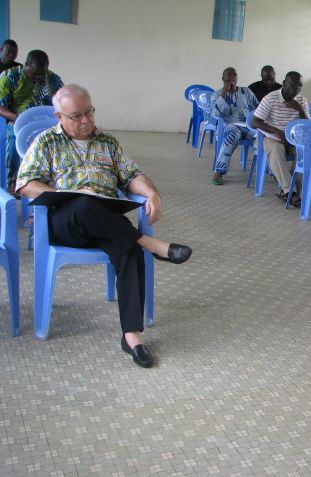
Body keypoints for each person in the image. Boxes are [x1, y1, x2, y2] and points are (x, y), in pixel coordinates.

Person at [16, 85, 192, 368]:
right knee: (85, 204)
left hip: (107, 223)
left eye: (90, 112)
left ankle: (131, 336)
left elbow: (132, 175)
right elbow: (25, 185)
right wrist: (67, 194)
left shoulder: (107, 142)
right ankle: (152, 245)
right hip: (66, 222)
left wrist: (152, 193)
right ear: (59, 115)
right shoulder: (46, 142)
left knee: (128, 251)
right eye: (77, 116)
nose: (86, 120)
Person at [0, 50, 64, 192]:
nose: (39, 77)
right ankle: (14, 182)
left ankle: (47, 183)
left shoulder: (52, 79)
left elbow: (63, 103)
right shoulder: (10, 77)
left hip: (46, 124)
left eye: (42, 74)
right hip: (15, 122)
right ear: (26, 65)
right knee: (15, 144)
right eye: (34, 74)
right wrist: (18, 118)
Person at [252, 71, 310, 207]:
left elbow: (308, 126)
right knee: (276, 148)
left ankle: (289, 191)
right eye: (292, 85)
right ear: (284, 83)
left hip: (293, 140)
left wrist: (300, 110)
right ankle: (290, 192)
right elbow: (255, 122)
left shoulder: (301, 100)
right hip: (269, 137)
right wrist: (277, 132)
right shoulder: (271, 98)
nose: (295, 89)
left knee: (303, 153)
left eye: (299, 87)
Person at [211, 67, 258, 185]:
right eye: (227, 81)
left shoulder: (246, 92)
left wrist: (256, 123)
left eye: (233, 79)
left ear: (236, 78)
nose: (231, 83)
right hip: (229, 125)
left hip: (247, 125)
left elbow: (258, 108)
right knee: (234, 134)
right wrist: (224, 93)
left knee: (260, 136)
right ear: (223, 79)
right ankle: (219, 171)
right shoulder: (217, 94)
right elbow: (215, 114)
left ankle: (269, 169)